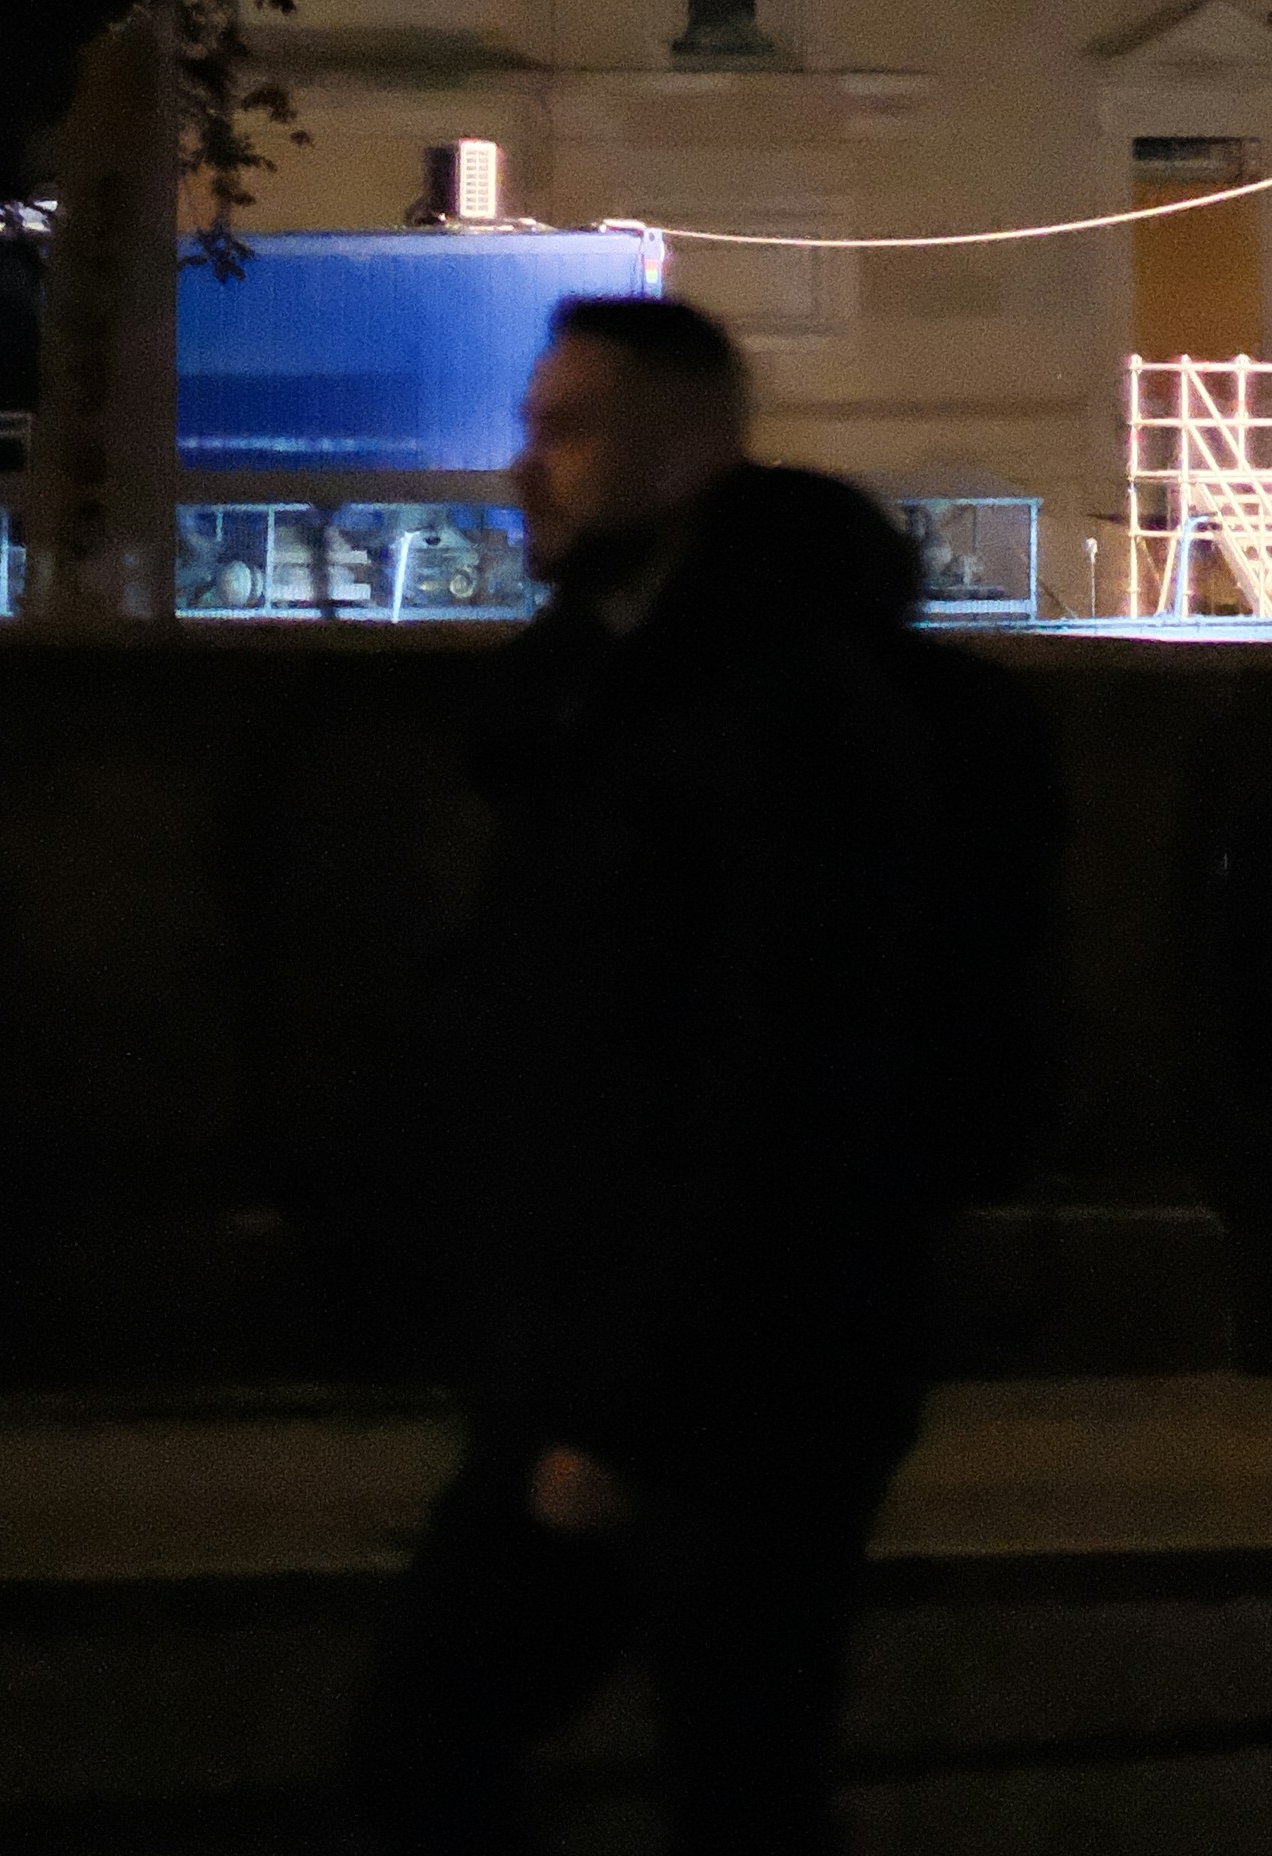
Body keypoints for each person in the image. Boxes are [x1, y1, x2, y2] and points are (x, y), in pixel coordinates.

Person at [343, 292, 972, 1856]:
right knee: (710, 1770)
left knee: (617, 1758)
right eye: (532, 425)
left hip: (724, 1364)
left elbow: (774, 1090)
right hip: (631, 1342)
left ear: (687, 456)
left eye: (571, 429)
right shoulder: (608, 701)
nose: (524, 467)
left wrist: (611, 1407)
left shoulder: (782, 729)